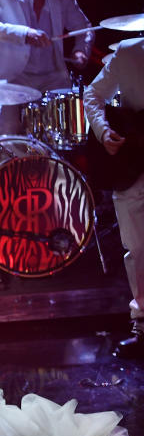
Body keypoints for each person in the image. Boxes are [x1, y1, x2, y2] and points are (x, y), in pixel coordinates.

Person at [84, 37, 144, 358]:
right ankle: (143, 327)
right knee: (137, 247)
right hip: (135, 162)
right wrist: (103, 130)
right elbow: (93, 93)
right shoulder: (130, 51)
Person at [0, 0, 93, 135]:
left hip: (52, 77)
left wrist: (81, 51)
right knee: (9, 130)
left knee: (58, 135)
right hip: (11, 77)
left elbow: (84, 28)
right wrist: (24, 34)